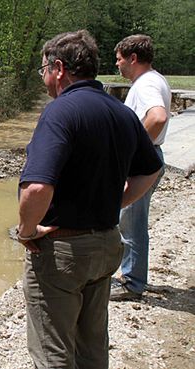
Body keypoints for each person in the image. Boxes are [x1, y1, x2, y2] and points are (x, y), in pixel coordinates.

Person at [15, 30, 162, 368]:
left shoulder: (60, 113)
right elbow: (150, 171)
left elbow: (37, 188)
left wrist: (26, 231)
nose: (44, 79)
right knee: (92, 348)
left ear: (59, 69)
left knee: (52, 353)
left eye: (43, 71)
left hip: (61, 252)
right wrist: (116, 202)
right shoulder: (121, 112)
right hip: (107, 245)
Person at [111, 34, 172, 300]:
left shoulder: (145, 84)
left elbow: (157, 116)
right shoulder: (155, 79)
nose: (117, 65)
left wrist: (134, 150)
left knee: (131, 222)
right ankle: (132, 276)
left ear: (133, 58)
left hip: (144, 162)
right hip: (152, 158)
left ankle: (132, 283)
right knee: (132, 219)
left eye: (119, 59)